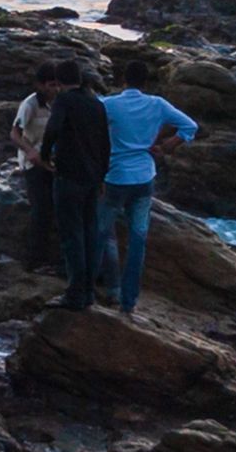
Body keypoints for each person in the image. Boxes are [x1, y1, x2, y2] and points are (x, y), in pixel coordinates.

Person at [85, 64, 199, 318]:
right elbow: (190, 126)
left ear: (123, 80)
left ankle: (86, 291)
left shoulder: (109, 104)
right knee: (138, 241)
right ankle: (129, 302)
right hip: (144, 177)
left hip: (115, 177)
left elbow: (87, 128)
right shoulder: (157, 104)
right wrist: (167, 146)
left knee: (99, 235)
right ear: (145, 82)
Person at [34, 66, 112, 314]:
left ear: (59, 81)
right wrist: (102, 175)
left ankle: (75, 293)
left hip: (69, 175)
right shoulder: (96, 104)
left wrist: (45, 154)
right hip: (93, 177)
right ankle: (88, 292)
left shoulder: (64, 100)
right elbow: (105, 143)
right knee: (90, 233)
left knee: (72, 236)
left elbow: (53, 128)